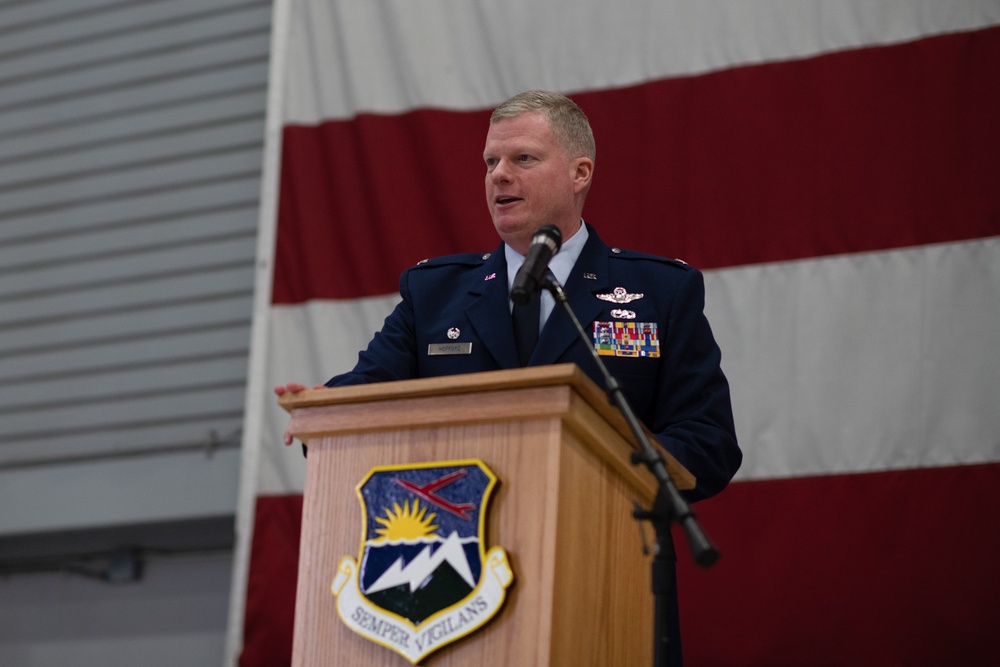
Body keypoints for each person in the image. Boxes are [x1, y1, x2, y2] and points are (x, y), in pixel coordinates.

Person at [276, 90, 740, 665]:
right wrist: (325, 408)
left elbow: (709, 442)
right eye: (490, 163)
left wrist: (602, 466)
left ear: (579, 173)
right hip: (457, 600)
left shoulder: (660, 292)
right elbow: (368, 390)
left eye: (522, 159)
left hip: (600, 579)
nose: (499, 176)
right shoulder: (436, 294)